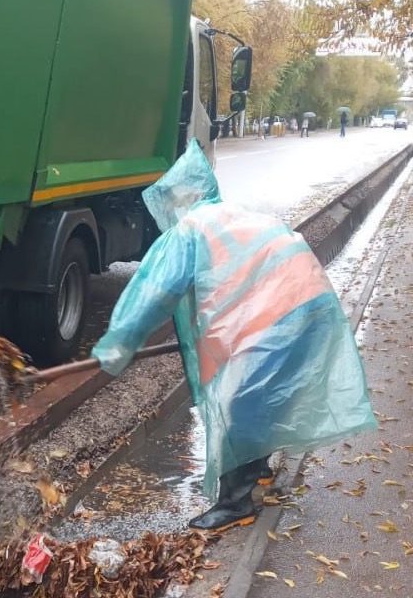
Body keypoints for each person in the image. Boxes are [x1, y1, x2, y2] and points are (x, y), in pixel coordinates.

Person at [90, 140, 377, 533]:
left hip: (276, 314)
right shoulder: (228, 214)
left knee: (236, 402)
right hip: (312, 303)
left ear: (179, 200)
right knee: (264, 392)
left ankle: (235, 503)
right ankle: (257, 466)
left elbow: (152, 294)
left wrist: (117, 345)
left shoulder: (189, 230)